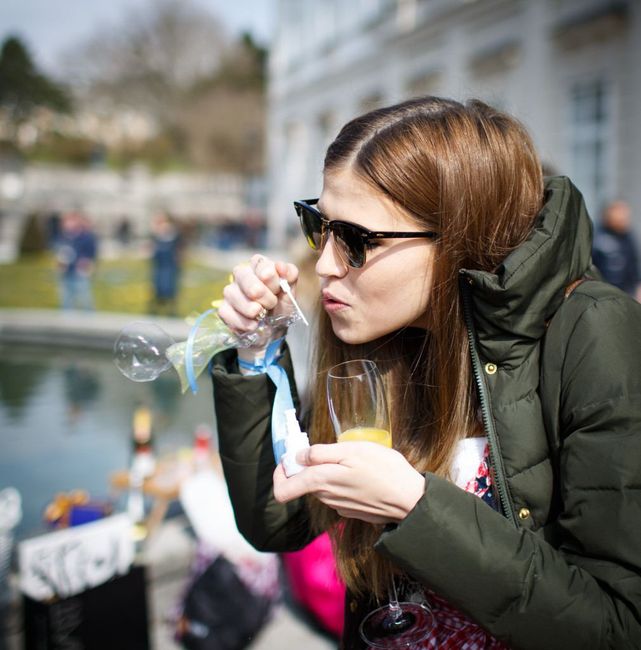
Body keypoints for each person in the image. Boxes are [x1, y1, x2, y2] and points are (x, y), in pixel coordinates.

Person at [210, 97, 641, 649]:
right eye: (320, 225)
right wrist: (256, 354)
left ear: (459, 234)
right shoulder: (390, 332)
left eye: (358, 240)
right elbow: (277, 520)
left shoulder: (594, 330)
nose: (325, 264)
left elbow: (620, 624)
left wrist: (415, 509)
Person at [592, 199, 641, 301]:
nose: (624, 217)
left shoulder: (628, 238)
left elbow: (633, 265)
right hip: (602, 294)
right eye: (620, 213)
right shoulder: (597, 237)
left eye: (625, 214)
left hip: (626, 293)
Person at [56, 210, 97, 310]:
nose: (69, 224)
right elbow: (61, 252)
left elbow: (92, 253)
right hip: (65, 272)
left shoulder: (86, 237)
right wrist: (60, 263)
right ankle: (67, 321)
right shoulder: (64, 237)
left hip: (80, 273)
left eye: (72, 221)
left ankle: (90, 321)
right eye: (67, 222)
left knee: (85, 300)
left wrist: (86, 262)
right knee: (66, 301)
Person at [149, 213, 182, 316]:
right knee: (158, 287)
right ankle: (157, 308)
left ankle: (171, 309)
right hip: (160, 266)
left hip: (169, 266)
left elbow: (178, 251)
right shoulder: (157, 236)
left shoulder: (172, 235)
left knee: (170, 287)